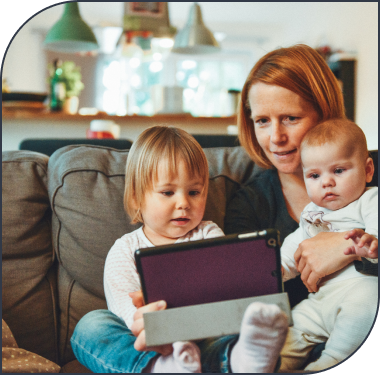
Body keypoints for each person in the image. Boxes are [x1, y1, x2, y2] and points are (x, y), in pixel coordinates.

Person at [71, 125, 289, 373]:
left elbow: (225, 290)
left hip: (204, 336)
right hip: (150, 342)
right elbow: (125, 312)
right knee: (91, 325)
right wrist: (160, 328)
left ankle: (242, 360)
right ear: (136, 198)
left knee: (240, 329)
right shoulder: (124, 250)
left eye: (194, 192)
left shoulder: (208, 234)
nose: (184, 203)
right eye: (167, 192)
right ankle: (161, 367)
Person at [279, 118, 378, 371]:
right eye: (314, 175)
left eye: (339, 171)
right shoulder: (312, 212)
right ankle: (275, 363)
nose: (326, 182)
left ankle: (329, 361)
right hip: (320, 299)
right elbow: (297, 243)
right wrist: (278, 268)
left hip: (357, 290)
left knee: (366, 305)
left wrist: (372, 239)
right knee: (291, 327)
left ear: (368, 170)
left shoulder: (368, 199)